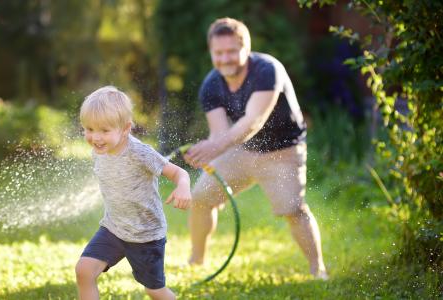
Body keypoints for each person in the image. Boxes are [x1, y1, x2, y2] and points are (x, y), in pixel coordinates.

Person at [183, 17, 328, 279]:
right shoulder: (211, 84)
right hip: (239, 150)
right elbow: (219, 133)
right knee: (201, 198)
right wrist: (207, 151)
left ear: (246, 49)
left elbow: (254, 121)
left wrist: (216, 146)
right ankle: (196, 261)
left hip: (282, 152)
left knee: (293, 210)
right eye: (218, 53)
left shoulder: (267, 70)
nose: (225, 58)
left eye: (231, 51)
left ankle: (318, 270)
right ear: (211, 52)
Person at [75, 86, 192, 300]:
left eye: (104, 130)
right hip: (114, 228)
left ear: (126, 128)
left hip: (145, 235)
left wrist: (183, 187)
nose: (95, 137)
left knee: (154, 291)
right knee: (84, 271)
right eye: (89, 129)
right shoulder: (99, 151)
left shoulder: (140, 153)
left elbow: (179, 173)